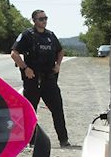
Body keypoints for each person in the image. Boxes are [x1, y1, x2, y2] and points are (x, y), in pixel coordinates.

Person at [10, 11, 68, 146]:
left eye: (45, 18)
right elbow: (14, 53)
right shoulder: (27, 35)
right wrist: (25, 68)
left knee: (57, 109)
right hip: (32, 79)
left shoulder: (50, 35)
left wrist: (58, 65)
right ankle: (31, 141)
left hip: (49, 79)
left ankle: (63, 140)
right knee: (30, 112)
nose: (44, 21)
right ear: (34, 20)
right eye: (41, 19)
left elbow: (60, 51)